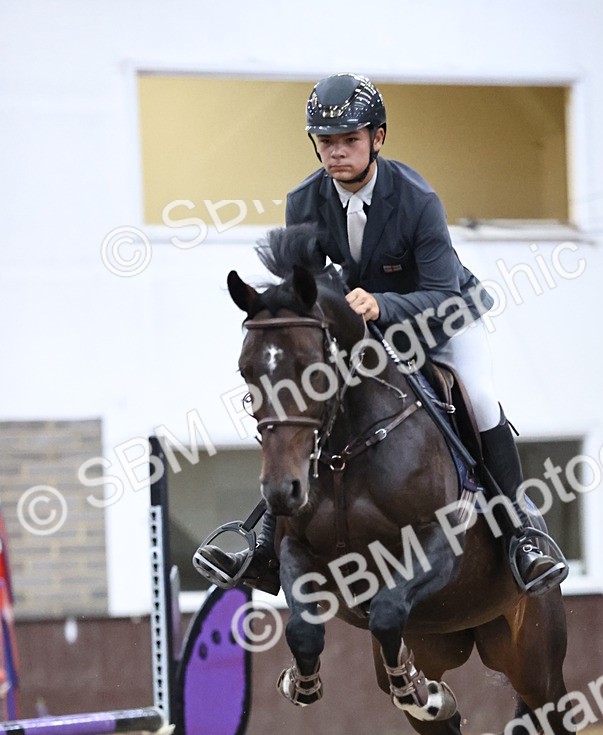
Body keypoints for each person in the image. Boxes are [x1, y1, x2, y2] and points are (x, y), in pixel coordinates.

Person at [197, 73, 567, 597]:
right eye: (327, 142)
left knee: (480, 399)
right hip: (361, 329)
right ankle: (262, 544)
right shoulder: (303, 201)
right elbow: (305, 289)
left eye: (350, 140)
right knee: (307, 404)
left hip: (440, 319)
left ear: (379, 138)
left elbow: (441, 293)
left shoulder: (417, 199)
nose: (337, 152)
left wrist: (382, 304)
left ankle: (521, 537)